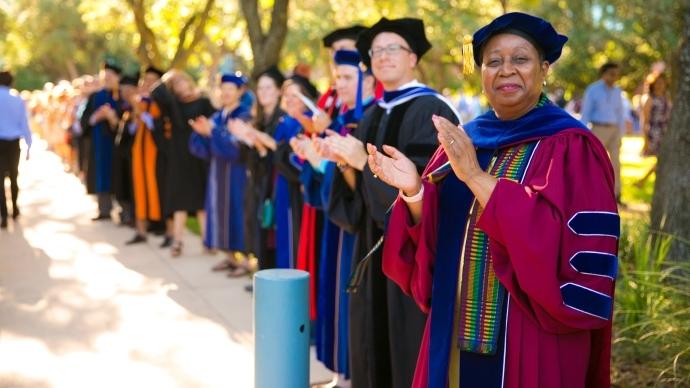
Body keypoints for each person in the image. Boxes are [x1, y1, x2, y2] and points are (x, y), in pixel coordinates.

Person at [371, 12, 619, 387]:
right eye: (493, 61)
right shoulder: (463, 140)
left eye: (520, 59)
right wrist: (414, 192)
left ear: (544, 68)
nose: (506, 70)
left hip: (532, 336)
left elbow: (567, 251)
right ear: (482, 74)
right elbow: (434, 242)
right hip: (454, 330)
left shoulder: (571, 146)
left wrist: (474, 176)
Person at [325, 17, 460, 388]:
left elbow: (430, 191)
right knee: (370, 338)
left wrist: (359, 161)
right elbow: (360, 202)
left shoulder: (432, 110)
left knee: (406, 344)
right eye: (375, 51)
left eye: (392, 49)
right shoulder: (371, 114)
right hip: (371, 247)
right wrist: (346, 165)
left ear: (413, 57)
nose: (382, 57)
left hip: (412, 256)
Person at [293, 48, 377, 383]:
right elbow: (332, 177)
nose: (338, 84)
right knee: (335, 292)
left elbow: (361, 179)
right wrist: (316, 161)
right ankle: (341, 372)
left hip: (360, 229)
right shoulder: (343, 119)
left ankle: (351, 375)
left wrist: (325, 164)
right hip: (337, 224)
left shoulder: (370, 118)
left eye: (346, 78)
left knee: (351, 295)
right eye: (337, 77)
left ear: (368, 80)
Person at [189, 73, 253, 275]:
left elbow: (237, 149)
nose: (225, 93)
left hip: (238, 174)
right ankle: (230, 257)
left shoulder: (244, 115)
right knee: (220, 213)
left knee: (238, 212)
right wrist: (201, 133)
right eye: (223, 89)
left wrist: (211, 133)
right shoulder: (218, 116)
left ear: (240, 92)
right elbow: (202, 148)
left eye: (230, 89)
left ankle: (246, 261)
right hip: (218, 173)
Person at [151, 70, 216, 257]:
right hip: (179, 157)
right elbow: (156, 93)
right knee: (180, 201)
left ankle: (207, 241)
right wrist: (167, 82)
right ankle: (177, 241)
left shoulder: (203, 102)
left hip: (199, 156)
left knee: (201, 200)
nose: (180, 84)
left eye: (181, 80)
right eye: (175, 83)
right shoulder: (172, 106)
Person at [125, 66, 170, 246]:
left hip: (156, 155)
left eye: (152, 81)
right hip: (139, 154)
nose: (147, 84)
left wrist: (145, 115)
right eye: (145, 80)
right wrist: (136, 115)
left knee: (160, 191)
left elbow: (161, 127)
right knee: (139, 191)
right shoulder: (138, 102)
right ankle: (141, 230)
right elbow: (131, 130)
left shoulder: (160, 104)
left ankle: (167, 231)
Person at [80, 61, 122, 221]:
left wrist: (112, 117)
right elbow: (84, 121)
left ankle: (124, 211)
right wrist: (96, 117)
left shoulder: (121, 96)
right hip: (98, 144)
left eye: (111, 76)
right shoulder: (95, 96)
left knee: (117, 174)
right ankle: (103, 209)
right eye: (105, 76)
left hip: (117, 145)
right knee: (100, 174)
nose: (108, 79)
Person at [581, 62, 625, 203]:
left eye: (616, 74)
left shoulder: (618, 91)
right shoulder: (593, 90)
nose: (614, 77)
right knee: (594, 162)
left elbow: (620, 113)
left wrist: (621, 133)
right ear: (604, 73)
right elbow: (586, 113)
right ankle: (591, 192)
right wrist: (583, 133)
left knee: (616, 163)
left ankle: (616, 194)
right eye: (612, 74)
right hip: (598, 129)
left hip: (614, 129)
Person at [0, 70, 32, 229]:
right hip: (13, 143)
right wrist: (28, 144)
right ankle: (15, 208)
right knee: (13, 176)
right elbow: (24, 123)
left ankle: (3, 214)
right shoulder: (17, 100)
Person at [111, 74, 139, 226]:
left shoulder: (136, 108)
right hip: (123, 154)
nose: (126, 94)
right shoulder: (124, 108)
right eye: (123, 91)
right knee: (123, 185)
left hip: (133, 154)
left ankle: (134, 216)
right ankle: (127, 214)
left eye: (129, 90)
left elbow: (133, 130)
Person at [636, 72, 671, 187]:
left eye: (662, 82)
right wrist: (645, 139)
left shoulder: (667, 98)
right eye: (657, 83)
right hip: (655, 132)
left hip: (666, 131)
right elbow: (644, 121)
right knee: (663, 159)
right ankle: (643, 180)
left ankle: (644, 180)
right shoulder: (649, 99)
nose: (660, 85)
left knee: (664, 160)